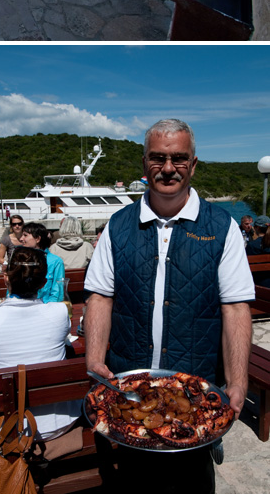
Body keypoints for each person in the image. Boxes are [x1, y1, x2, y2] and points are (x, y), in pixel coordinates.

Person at [84, 119, 254, 494]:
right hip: (130, 386)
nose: (167, 168)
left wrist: (238, 382)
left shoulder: (221, 227)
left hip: (195, 390)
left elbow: (236, 307)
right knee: (132, 478)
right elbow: (99, 295)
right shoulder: (118, 225)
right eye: (158, 157)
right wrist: (95, 358)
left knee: (193, 482)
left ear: (193, 164)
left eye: (178, 158)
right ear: (144, 163)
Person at [0, 247, 81, 444]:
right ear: (43, 282)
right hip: (60, 424)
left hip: (10, 429)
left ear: (6, 278)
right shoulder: (59, 313)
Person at [19, 222, 65, 303]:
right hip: (23, 308)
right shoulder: (20, 260)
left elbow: (57, 294)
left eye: (25, 235)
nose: (21, 239)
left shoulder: (55, 262)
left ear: (37, 239)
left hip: (45, 308)